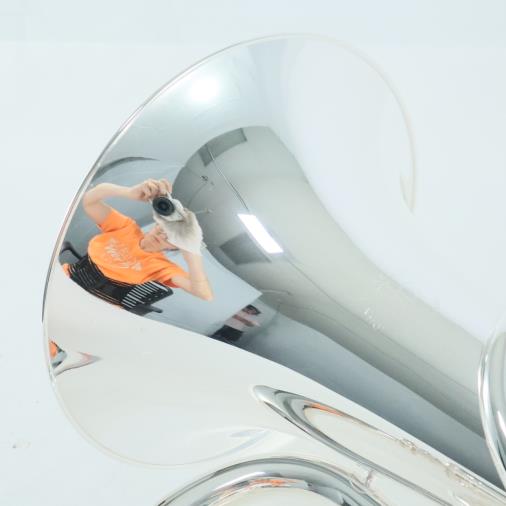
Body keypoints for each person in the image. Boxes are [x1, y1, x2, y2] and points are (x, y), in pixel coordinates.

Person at [65, 178, 213, 301]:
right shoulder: (125, 227)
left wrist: (192, 250)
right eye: (164, 228)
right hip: (67, 280)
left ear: (175, 246)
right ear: (158, 223)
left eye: (171, 237)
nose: (162, 235)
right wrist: (128, 192)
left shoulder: (162, 267)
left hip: (98, 304)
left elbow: (204, 294)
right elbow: (89, 202)